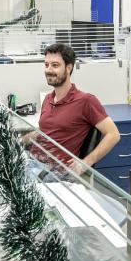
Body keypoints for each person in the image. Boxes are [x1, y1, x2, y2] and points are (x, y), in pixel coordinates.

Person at [31, 43, 120, 176]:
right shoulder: (48, 98)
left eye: (55, 65)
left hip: (54, 173)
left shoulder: (86, 101)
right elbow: (46, 132)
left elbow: (113, 134)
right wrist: (20, 139)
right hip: (32, 162)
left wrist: (86, 162)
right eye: (46, 65)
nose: (49, 70)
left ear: (69, 68)